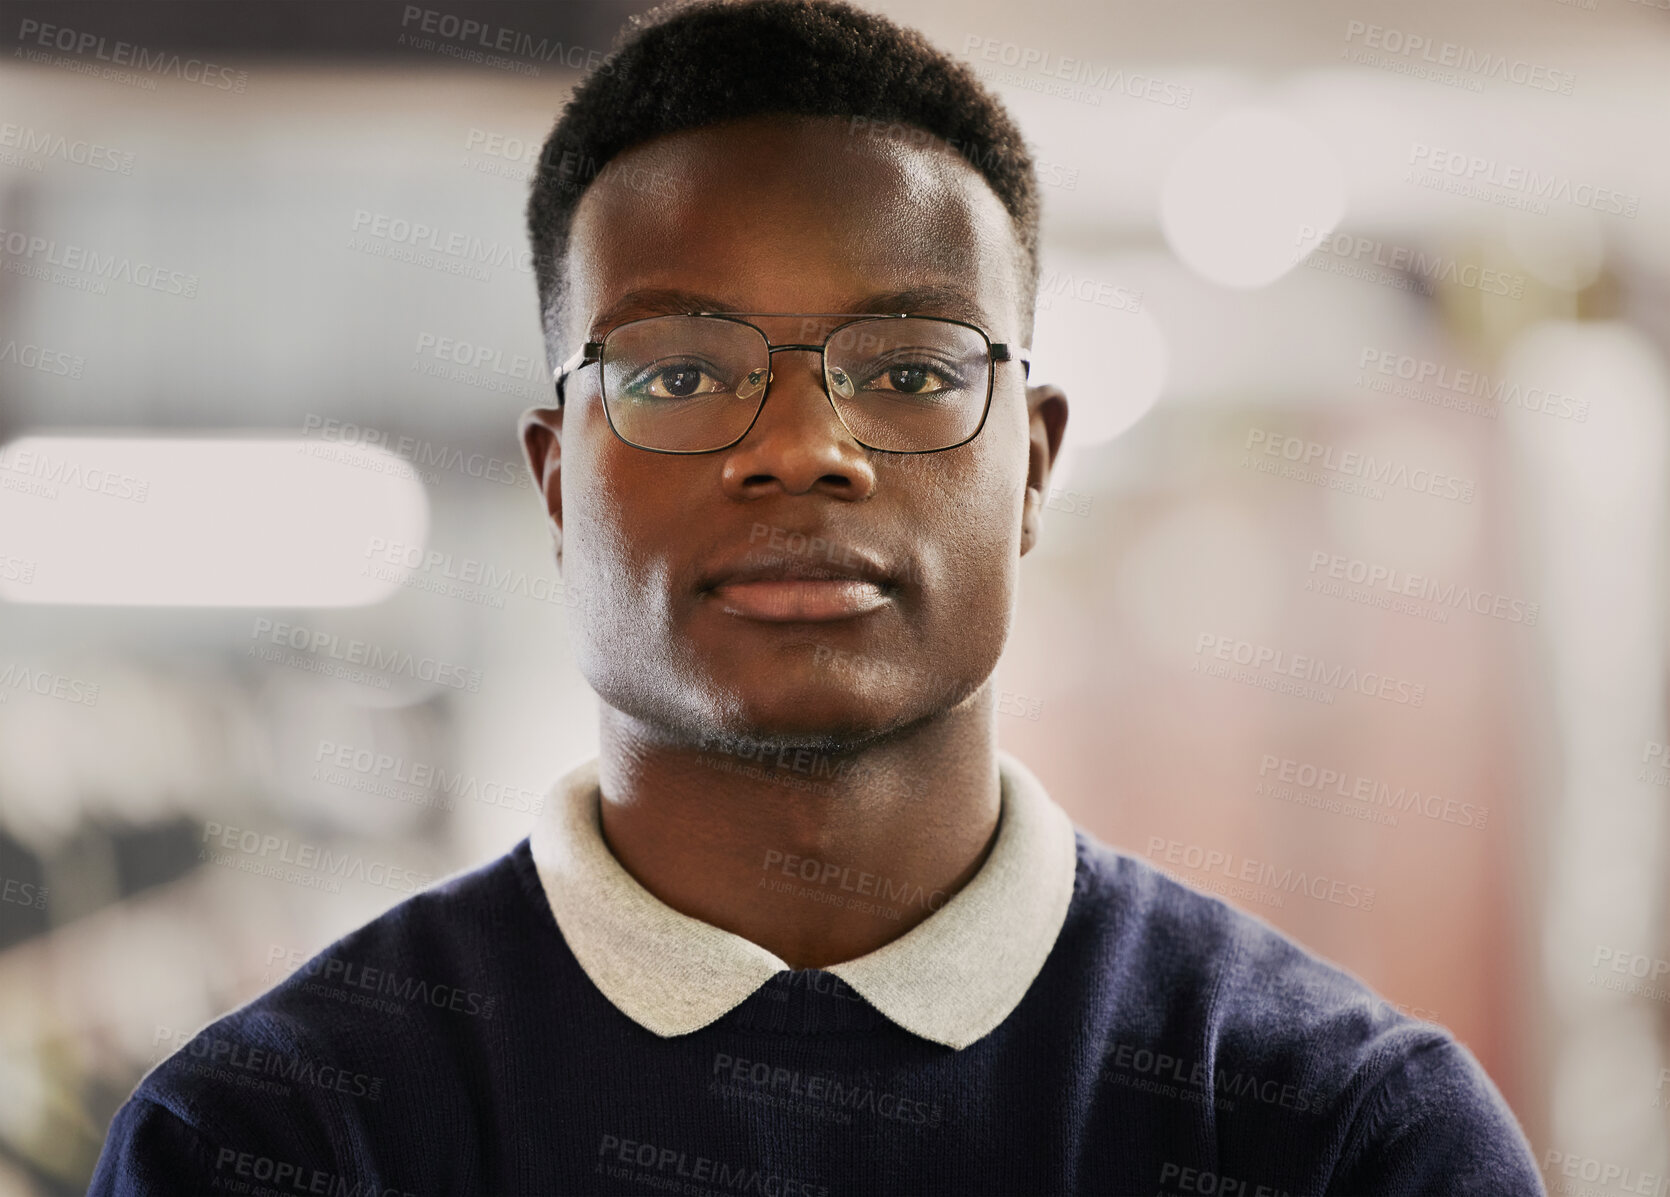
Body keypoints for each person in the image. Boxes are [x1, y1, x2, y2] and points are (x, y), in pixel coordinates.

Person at [91, 0, 1545, 1192]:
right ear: (555, 480)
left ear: (1031, 464)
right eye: (677, 373)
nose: (800, 448)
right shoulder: (277, 1138)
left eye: (910, 370)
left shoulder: (1342, 1136)